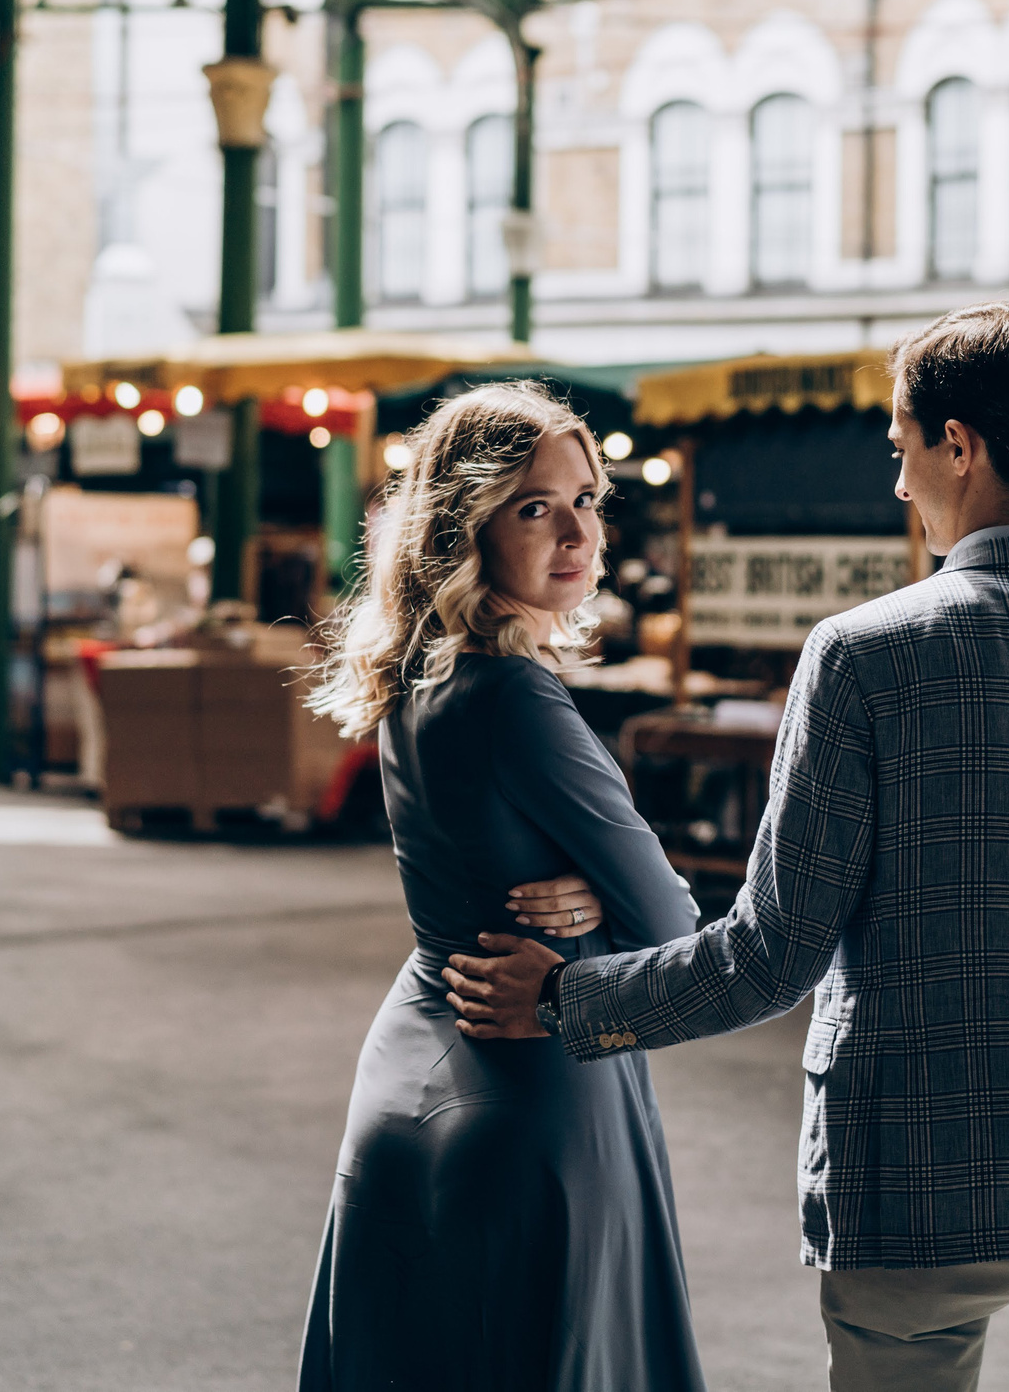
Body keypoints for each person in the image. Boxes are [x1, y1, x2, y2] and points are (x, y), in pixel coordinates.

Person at [447, 306, 1009, 1392]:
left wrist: (571, 998)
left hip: (909, 1179)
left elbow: (771, 954)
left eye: (903, 451)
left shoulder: (862, 657)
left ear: (961, 445)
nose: (899, 484)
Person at [296, 382, 705, 1392]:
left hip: (408, 1075)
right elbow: (671, 926)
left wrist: (588, 897)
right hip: (529, 1094)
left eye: (586, 500)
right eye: (535, 507)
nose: (576, 531)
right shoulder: (517, 693)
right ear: (464, 527)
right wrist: (609, 904)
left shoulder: (416, 679)